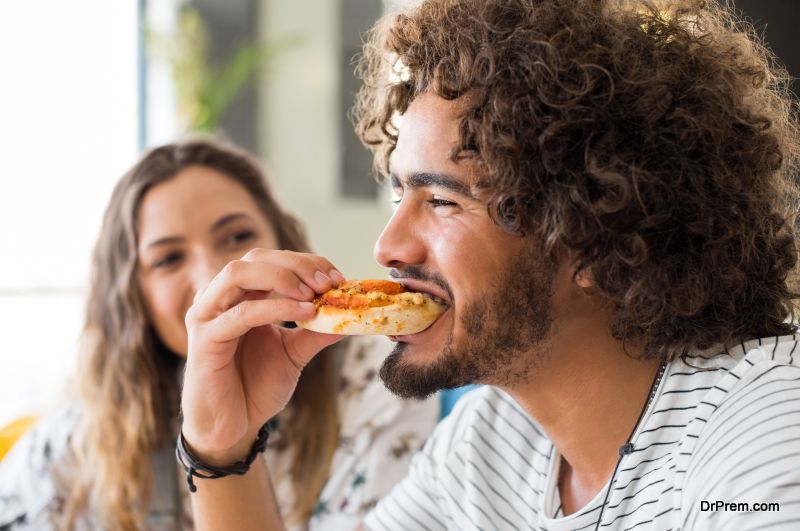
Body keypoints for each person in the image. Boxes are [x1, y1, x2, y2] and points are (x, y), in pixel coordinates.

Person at [178, 0, 800, 529]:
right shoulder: (495, 436)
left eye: (443, 201)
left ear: (590, 230)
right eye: (401, 194)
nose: (388, 246)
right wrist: (222, 446)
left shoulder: (766, 437)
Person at [0, 139, 438, 531]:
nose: (213, 276)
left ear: (282, 243)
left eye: (237, 236)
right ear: (132, 297)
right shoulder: (69, 448)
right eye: (169, 258)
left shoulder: (383, 383)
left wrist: (225, 453)